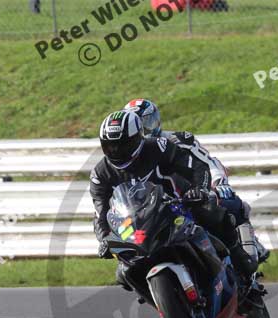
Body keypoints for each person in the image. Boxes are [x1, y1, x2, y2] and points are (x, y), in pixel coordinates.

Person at [90, 110, 257, 288]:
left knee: (212, 213)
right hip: (136, 223)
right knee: (124, 274)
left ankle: (241, 262)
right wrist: (104, 240)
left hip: (176, 206)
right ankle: (157, 298)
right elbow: (100, 213)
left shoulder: (158, 147)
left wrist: (199, 190)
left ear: (138, 138)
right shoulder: (100, 174)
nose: (116, 151)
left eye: (123, 145)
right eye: (110, 146)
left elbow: (195, 166)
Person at [122, 98, 269, 263]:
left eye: (147, 123)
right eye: (140, 125)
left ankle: (248, 251)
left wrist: (219, 183)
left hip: (191, 197)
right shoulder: (128, 158)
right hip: (157, 209)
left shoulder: (178, 140)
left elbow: (208, 162)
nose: (145, 130)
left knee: (229, 204)